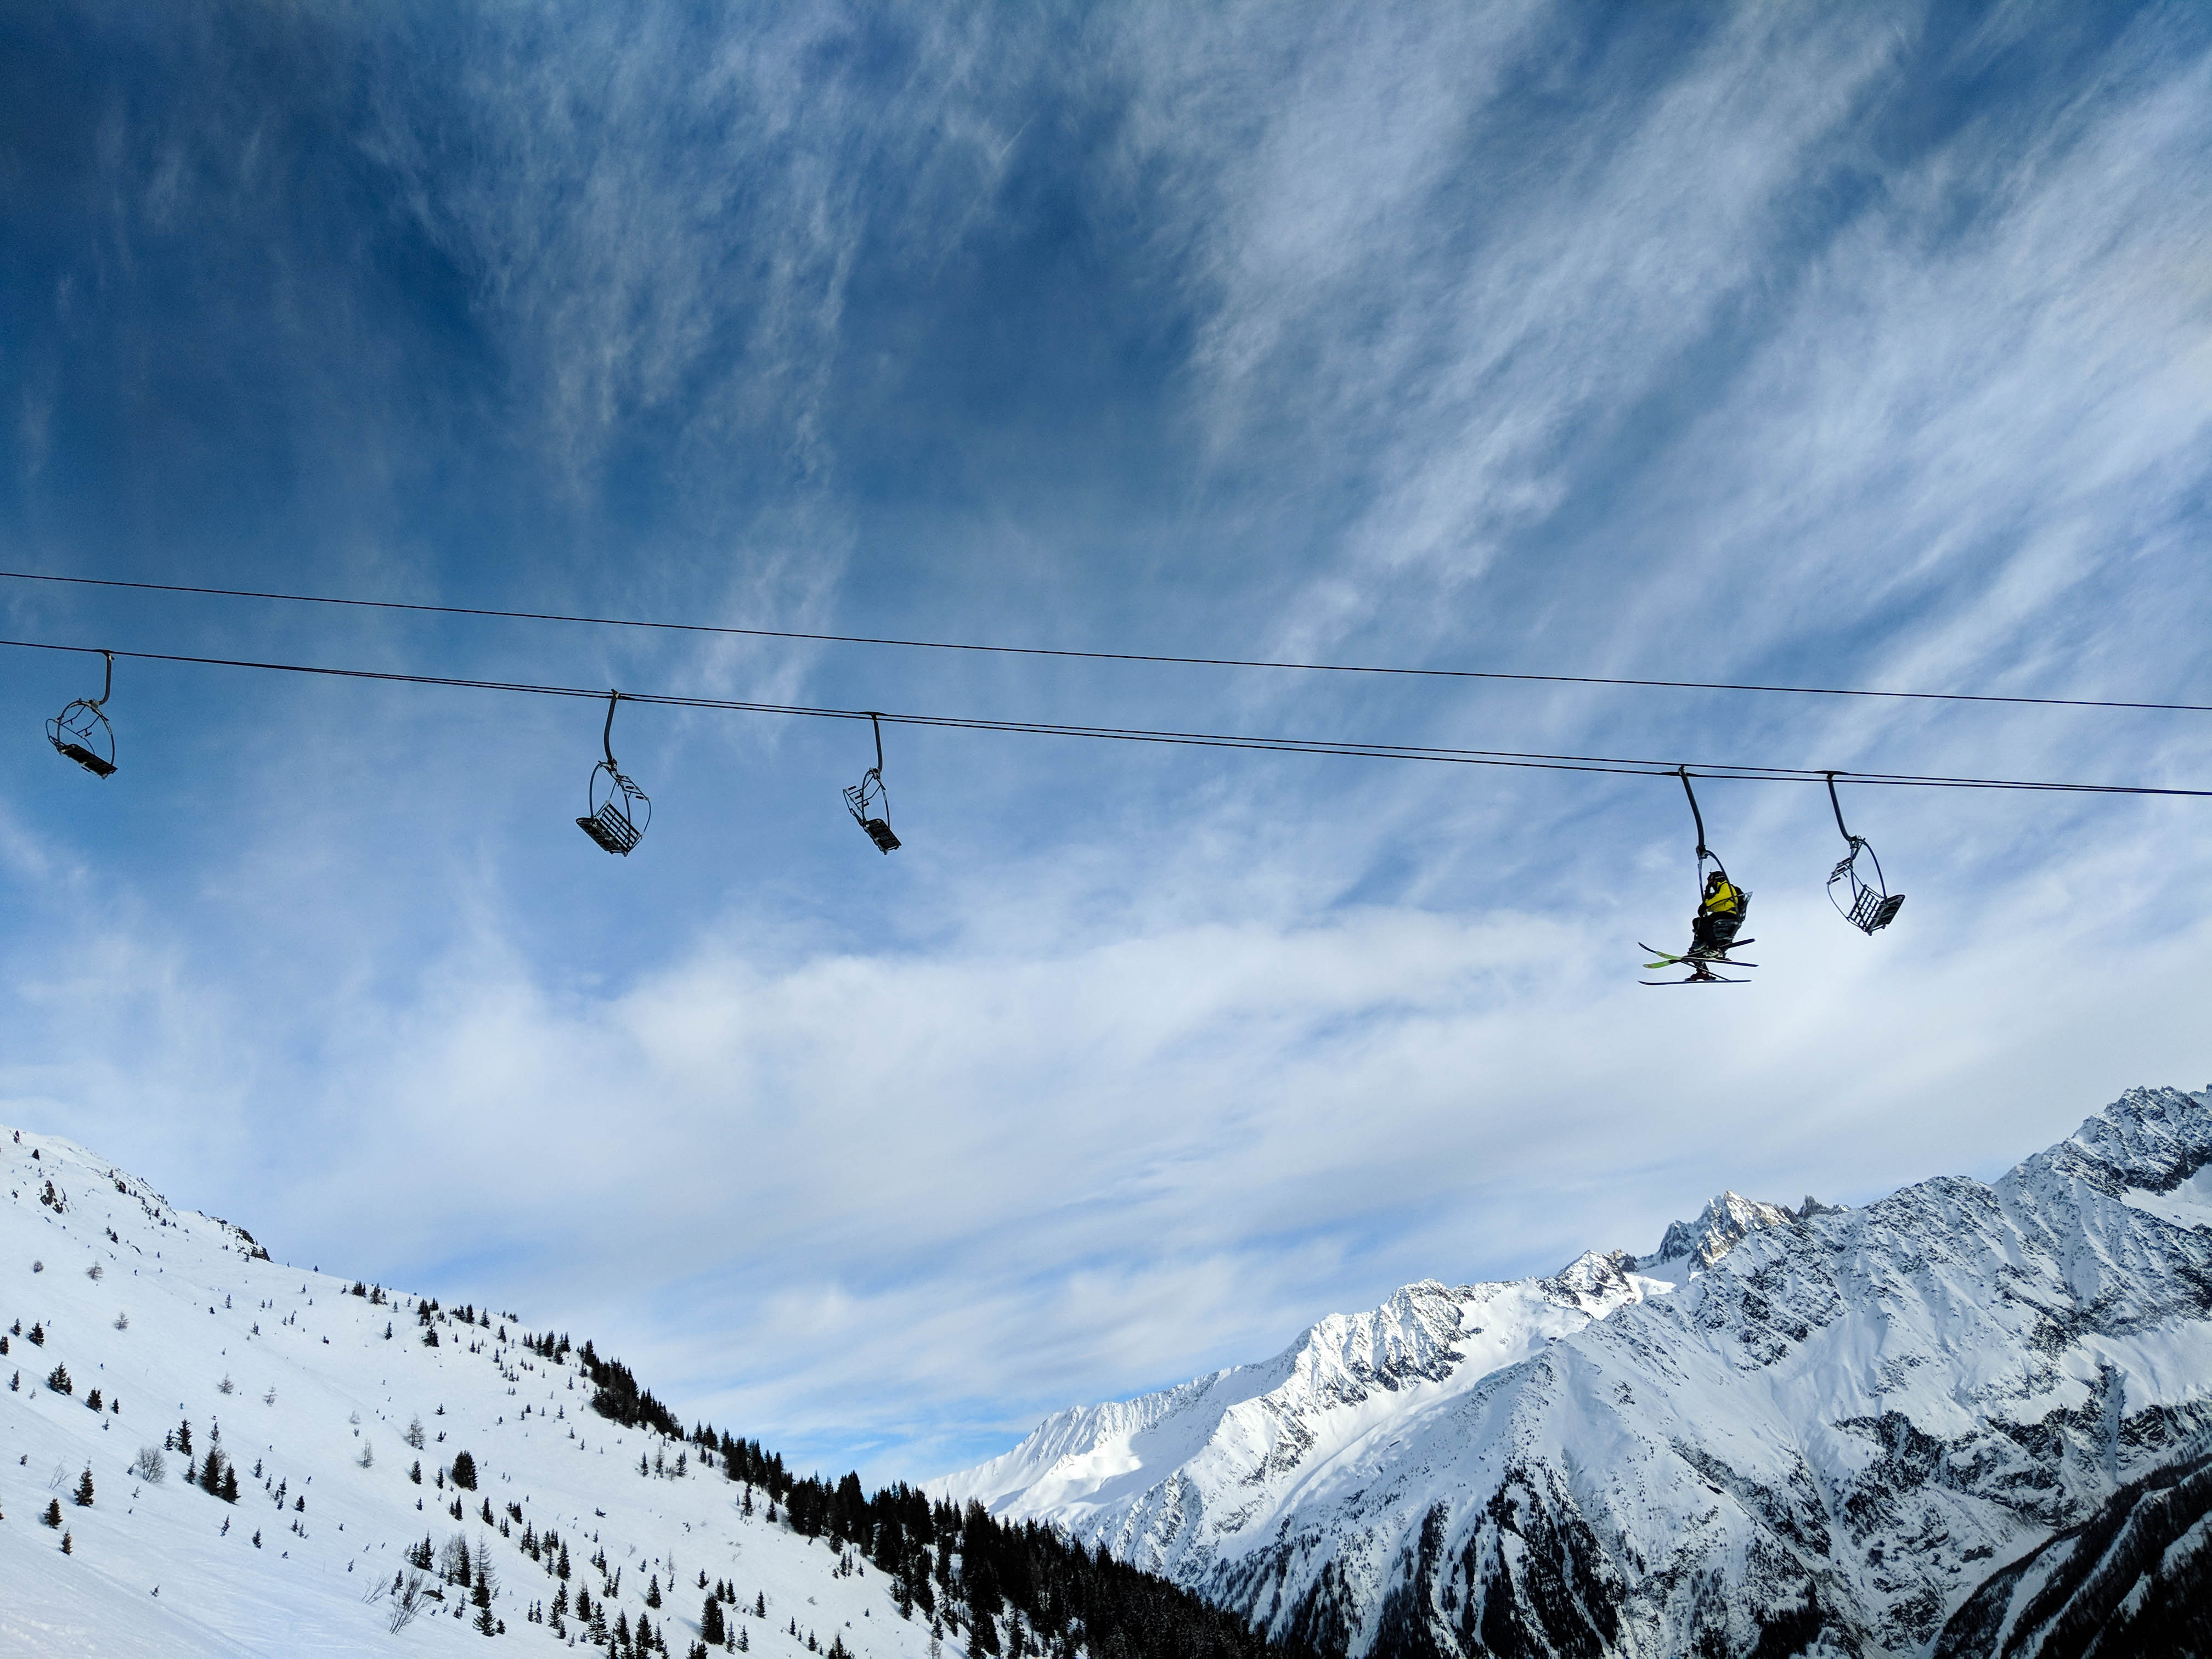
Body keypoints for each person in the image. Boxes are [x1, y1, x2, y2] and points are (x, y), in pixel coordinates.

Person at [1689, 870, 1748, 958]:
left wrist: (1706, 905)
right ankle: (1701, 945)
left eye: (1711, 881)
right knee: (1697, 921)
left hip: (1730, 915)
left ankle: (1714, 949)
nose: (1711, 883)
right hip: (1722, 914)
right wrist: (1707, 896)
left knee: (1706, 921)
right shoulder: (1718, 892)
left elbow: (1722, 897)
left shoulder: (1726, 886)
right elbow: (1714, 906)